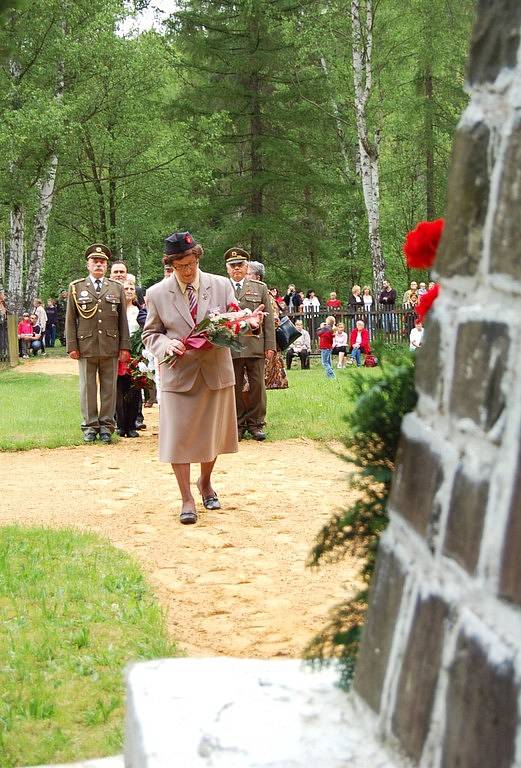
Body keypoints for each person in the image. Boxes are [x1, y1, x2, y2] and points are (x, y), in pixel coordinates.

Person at [142, 231, 263, 525]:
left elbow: (235, 321)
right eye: (179, 266)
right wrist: (164, 345)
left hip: (214, 372)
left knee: (212, 436)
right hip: (177, 375)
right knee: (178, 438)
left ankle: (205, 482)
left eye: (190, 264)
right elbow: (149, 335)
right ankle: (186, 498)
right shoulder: (157, 293)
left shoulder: (220, 286)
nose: (186, 271)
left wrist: (249, 323)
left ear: (197, 257)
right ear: (170, 264)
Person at [66, 243, 130, 444]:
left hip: (110, 345)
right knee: (87, 387)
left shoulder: (116, 287)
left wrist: (124, 346)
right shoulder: (76, 288)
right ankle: (90, 426)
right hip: (86, 345)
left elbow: (122, 321)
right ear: (88, 264)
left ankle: (106, 426)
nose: (99, 264)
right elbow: (70, 319)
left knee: (109, 388)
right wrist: (72, 346)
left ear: (106, 265)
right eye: (95, 261)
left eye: (102, 262)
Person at [226, 247, 276, 441]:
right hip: (231, 346)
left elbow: (269, 320)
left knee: (257, 386)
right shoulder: (221, 288)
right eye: (233, 266)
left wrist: (270, 345)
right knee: (233, 386)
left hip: (255, 344)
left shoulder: (259, 288)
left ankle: (256, 424)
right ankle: (237, 424)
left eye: (240, 265)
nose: (236, 269)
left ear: (246, 267)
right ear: (227, 269)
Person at [248, 261, 288, 391]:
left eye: (248, 273)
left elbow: (275, 319)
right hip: (253, 338)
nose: (245, 276)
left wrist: (259, 322)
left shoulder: (265, 294)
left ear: (257, 277)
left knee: (269, 371)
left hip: (266, 338)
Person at [116, 281, 142, 438]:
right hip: (118, 354)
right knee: (118, 389)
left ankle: (132, 425)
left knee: (134, 388)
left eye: (132, 288)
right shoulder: (115, 310)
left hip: (135, 354)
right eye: (126, 288)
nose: (129, 291)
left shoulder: (140, 311)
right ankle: (120, 425)